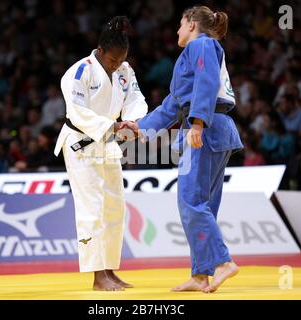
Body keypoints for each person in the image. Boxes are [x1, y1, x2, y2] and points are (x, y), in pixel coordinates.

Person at [128, 6, 243, 293]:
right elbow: (172, 104)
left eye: (180, 25)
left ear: (192, 24)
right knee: (203, 205)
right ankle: (200, 274)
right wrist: (141, 126)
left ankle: (222, 262)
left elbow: (207, 83)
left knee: (191, 203)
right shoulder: (196, 53)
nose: (177, 31)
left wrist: (198, 123)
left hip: (205, 129)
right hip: (215, 129)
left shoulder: (202, 44)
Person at [54, 16, 148, 291]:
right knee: (91, 208)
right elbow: (77, 112)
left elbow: (135, 100)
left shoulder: (125, 70)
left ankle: (110, 269)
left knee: (114, 206)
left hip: (108, 142)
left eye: (121, 59)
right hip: (81, 143)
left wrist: (132, 121)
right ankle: (97, 275)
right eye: (112, 60)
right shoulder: (79, 72)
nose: (117, 64)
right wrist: (112, 125)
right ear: (100, 50)